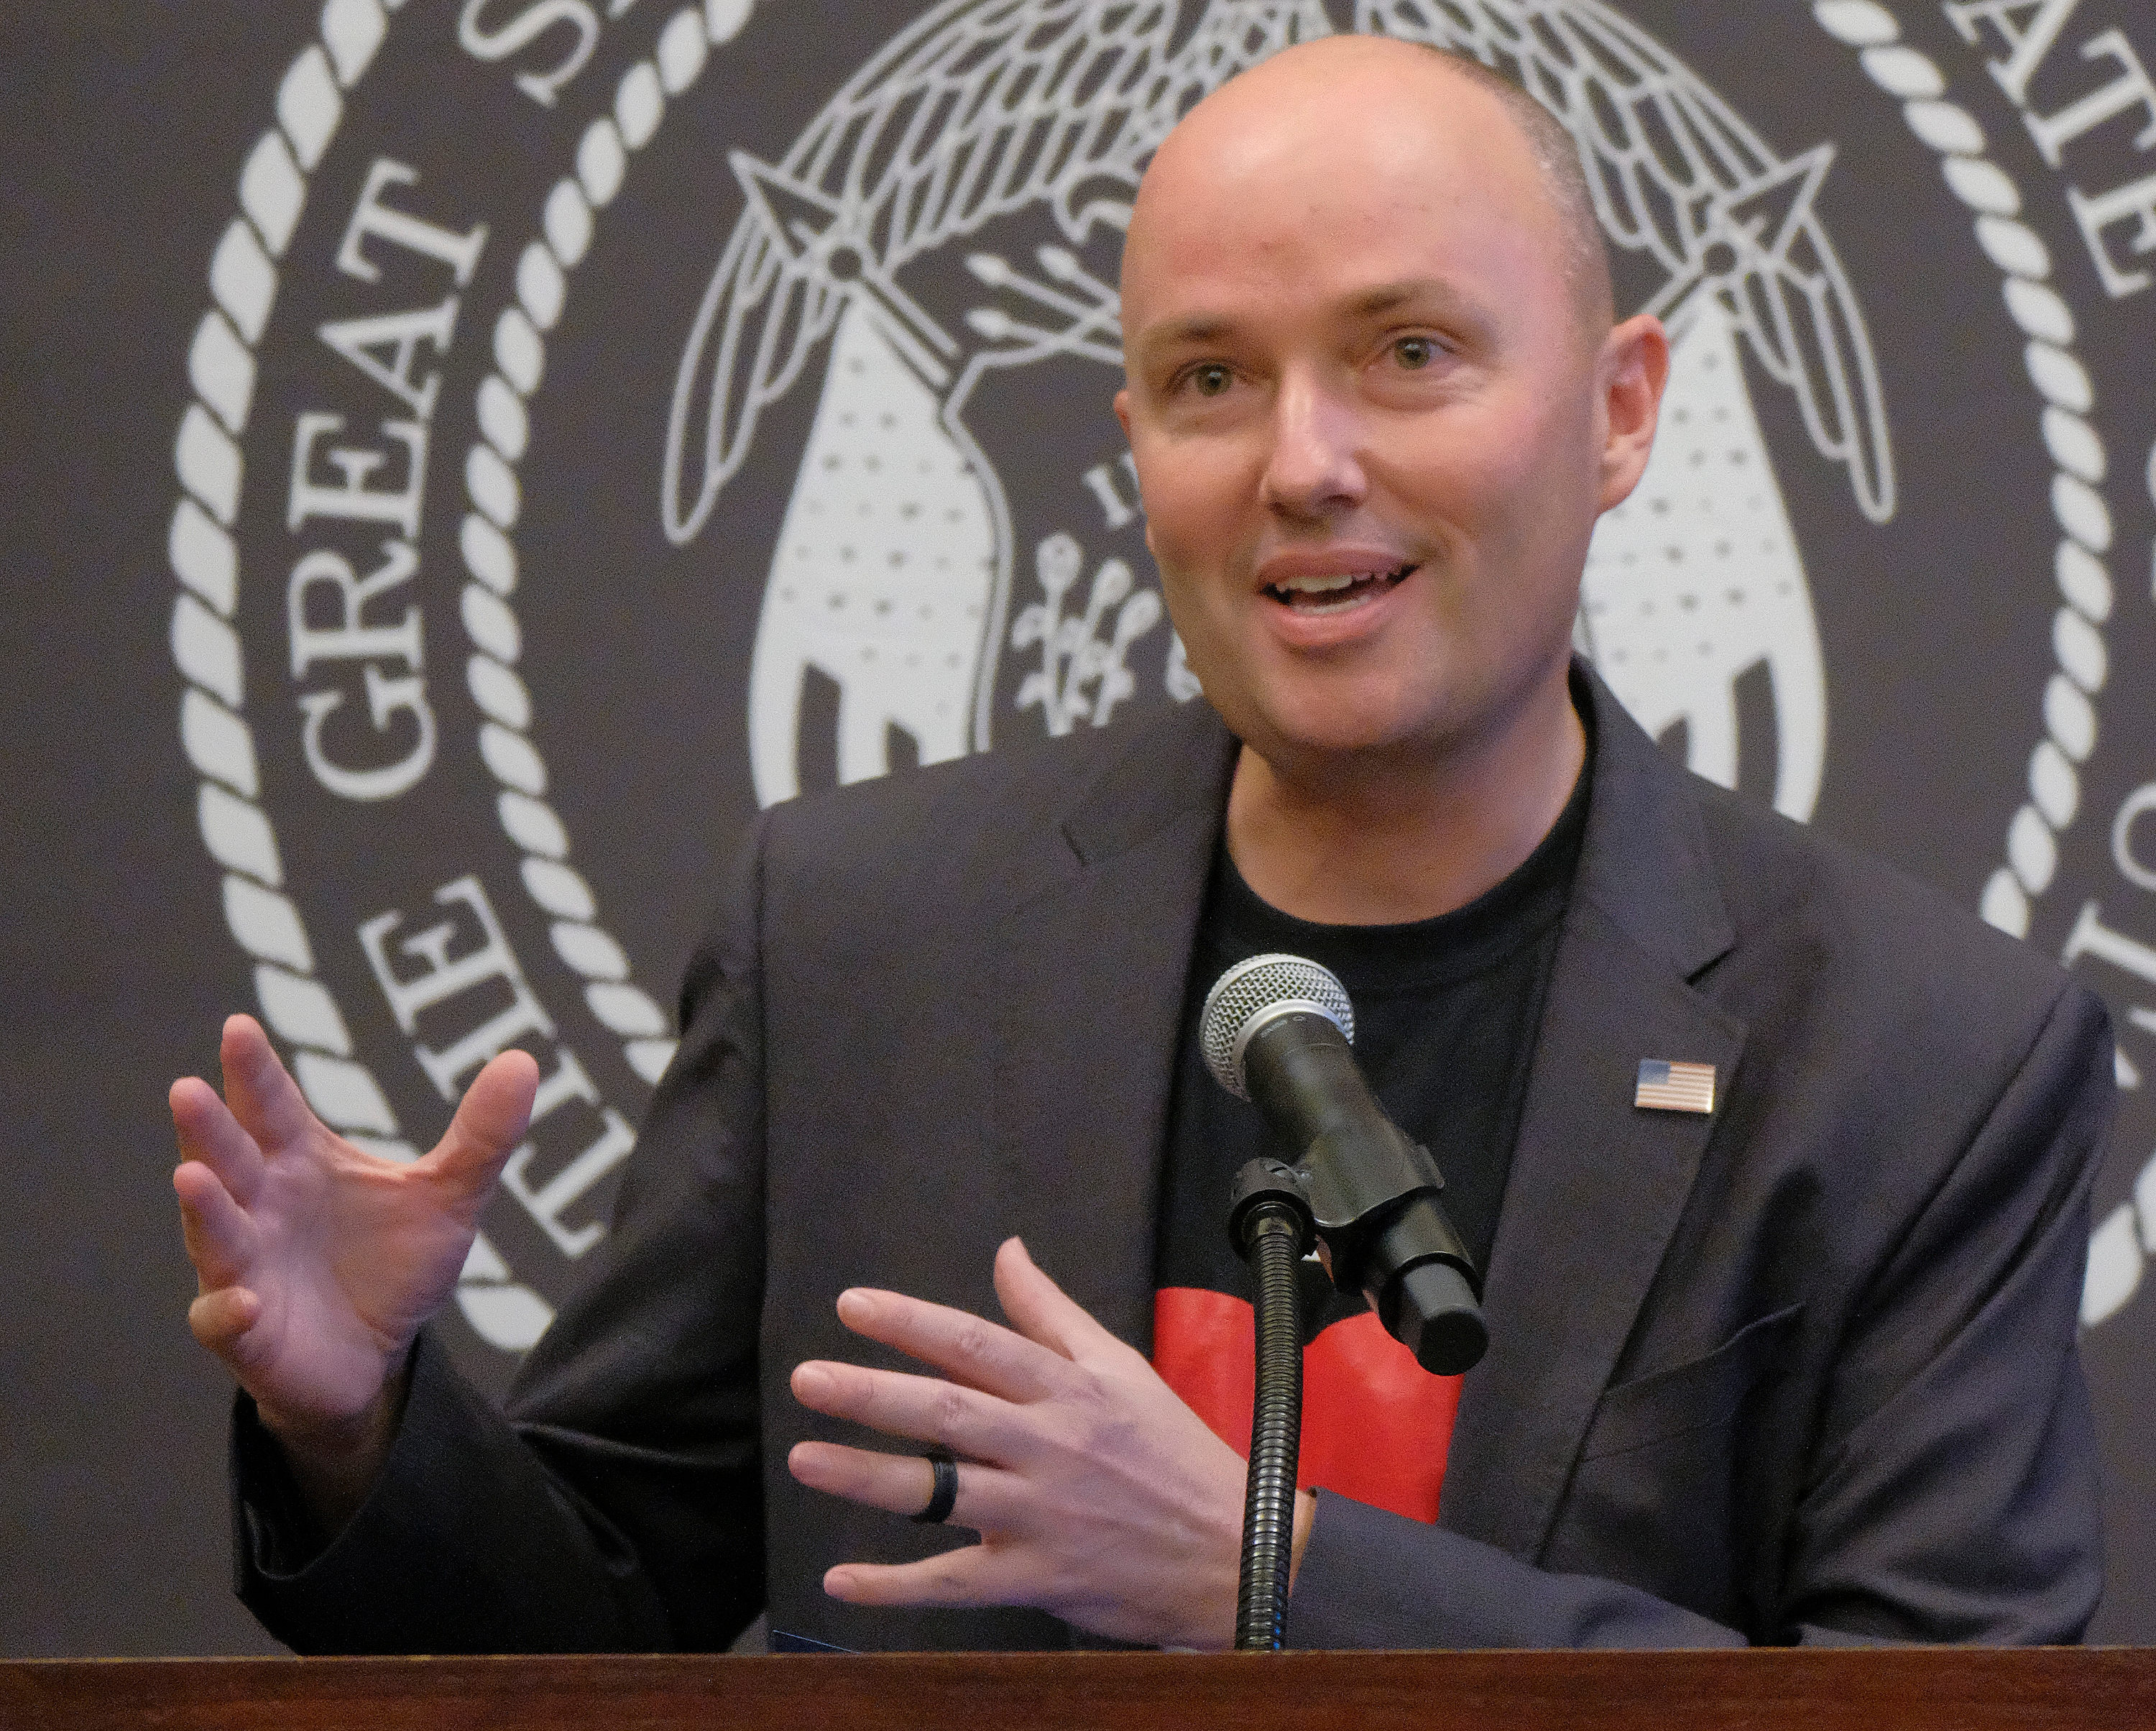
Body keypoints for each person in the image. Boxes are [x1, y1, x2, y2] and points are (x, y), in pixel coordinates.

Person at [170, 37, 2109, 1652]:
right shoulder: (857, 941)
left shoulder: (1918, 1056)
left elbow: (1942, 1703)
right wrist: (360, 1425)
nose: (1302, 461)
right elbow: (593, 1630)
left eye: (1410, 354)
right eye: (1209, 380)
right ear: (1129, 443)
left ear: (1618, 413)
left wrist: (1271, 1578)